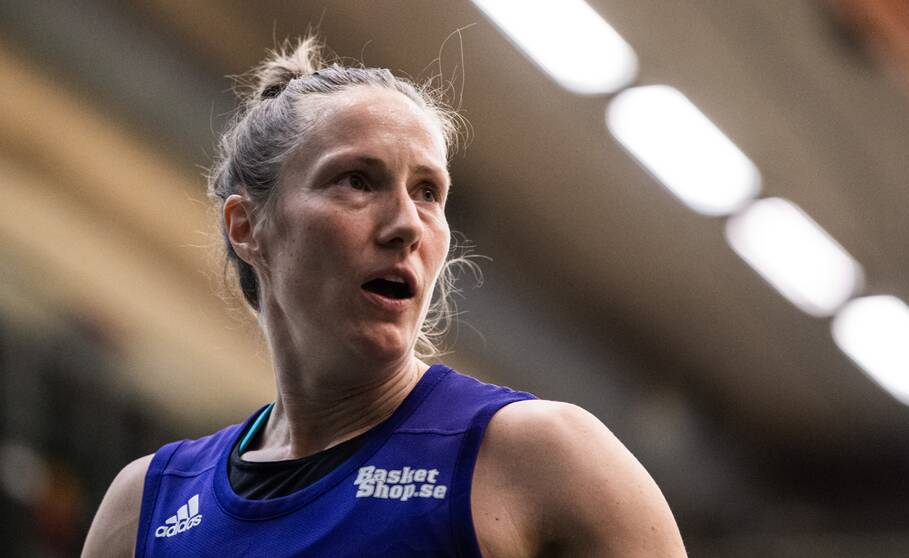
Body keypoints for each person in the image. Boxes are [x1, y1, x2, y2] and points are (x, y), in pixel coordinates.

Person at [82, 37, 688, 558]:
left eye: (428, 192)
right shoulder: (144, 508)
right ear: (248, 227)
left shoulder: (545, 459)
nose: (406, 224)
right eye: (357, 181)